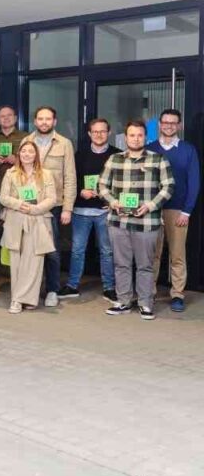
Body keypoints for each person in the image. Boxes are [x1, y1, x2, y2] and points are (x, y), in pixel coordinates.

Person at [99, 121, 173, 320]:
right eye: (132, 135)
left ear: (145, 137)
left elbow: (168, 187)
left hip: (147, 223)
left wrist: (150, 205)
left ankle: (145, 304)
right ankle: (123, 301)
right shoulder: (114, 159)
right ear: (126, 137)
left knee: (145, 265)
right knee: (121, 264)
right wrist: (113, 202)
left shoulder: (158, 159)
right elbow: (102, 186)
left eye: (140, 135)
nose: (136, 139)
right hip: (119, 221)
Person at [20, 106, 76, 307]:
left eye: (48, 119)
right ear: (35, 121)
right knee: (30, 249)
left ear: (54, 121)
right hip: (29, 204)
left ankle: (52, 289)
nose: (44, 122)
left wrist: (68, 208)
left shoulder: (64, 144)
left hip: (54, 205)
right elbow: (19, 172)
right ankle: (30, 290)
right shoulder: (26, 141)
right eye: (40, 119)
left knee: (51, 250)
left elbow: (70, 177)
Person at [147, 108, 200, 313]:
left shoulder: (188, 150)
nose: (169, 126)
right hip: (152, 210)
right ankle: (149, 293)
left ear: (179, 125)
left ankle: (177, 294)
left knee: (177, 255)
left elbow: (194, 182)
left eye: (173, 123)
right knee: (152, 255)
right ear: (160, 124)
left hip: (178, 210)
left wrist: (187, 211)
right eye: (165, 122)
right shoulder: (149, 149)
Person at [66, 119, 120, 303]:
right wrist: (81, 191)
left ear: (109, 133)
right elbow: (71, 179)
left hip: (105, 211)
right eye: (95, 132)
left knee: (107, 251)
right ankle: (72, 285)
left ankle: (109, 288)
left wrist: (112, 201)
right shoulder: (79, 155)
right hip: (81, 210)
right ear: (89, 134)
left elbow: (122, 182)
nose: (99, 135)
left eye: (102, 131)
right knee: (77, 250)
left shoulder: (117, 155)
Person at [0, 142, 57, 313]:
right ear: (19, 154)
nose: (26, 154)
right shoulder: (10, 173)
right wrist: (19, 204)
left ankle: (29, 298)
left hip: (38, 220)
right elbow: (3, 197)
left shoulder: (46, 174)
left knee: (34, 262)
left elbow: (52, 198)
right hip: (15, 220)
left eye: (31, 151)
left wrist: (35, 209)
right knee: (17, 261)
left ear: (36, 155)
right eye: (23, 151)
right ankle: (16, 300)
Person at [0, 106, 29, 293]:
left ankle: (16, 272)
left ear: (15, 118)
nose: (6, 119)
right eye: (2, 116)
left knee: (19, 234)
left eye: (9, 115)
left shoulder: (25, 138)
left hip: (18, 194)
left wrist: (17, 159)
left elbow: (35, 160)